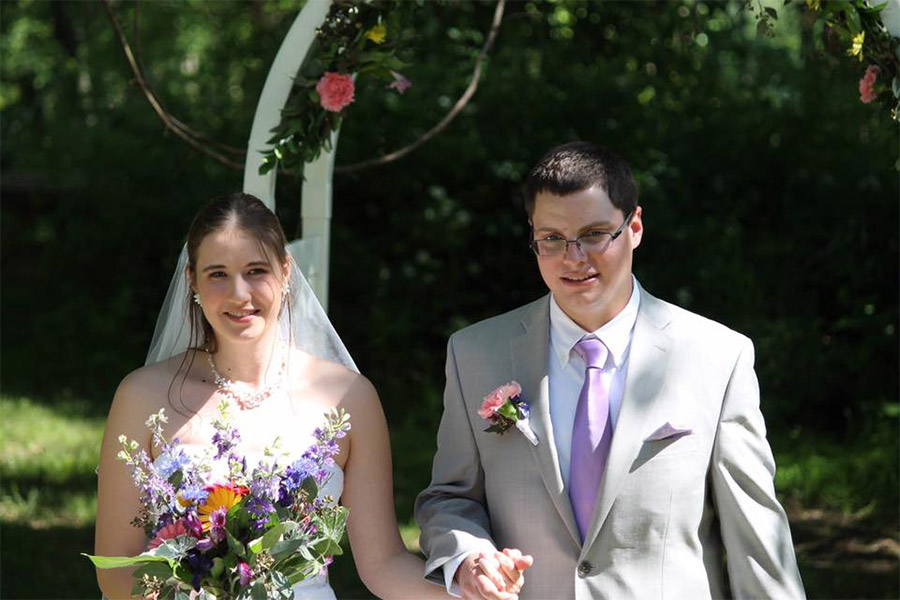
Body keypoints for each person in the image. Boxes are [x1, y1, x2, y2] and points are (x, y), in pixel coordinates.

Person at [415, 142, 806, 599]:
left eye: (595, 234)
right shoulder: (474, 354)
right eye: (552, 239)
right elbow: (448, 499)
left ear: (634, 226)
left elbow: (757, 542)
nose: (574, 258)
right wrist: (469, 556)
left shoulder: (718, 357)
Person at [95, 193, 450, 599]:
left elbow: (383, 563)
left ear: (285, 270)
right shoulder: (142, 396)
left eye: (255, 270)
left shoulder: (350, 398)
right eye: (218, 274)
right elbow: (117, 569)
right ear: (192, 280)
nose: (239, 294)